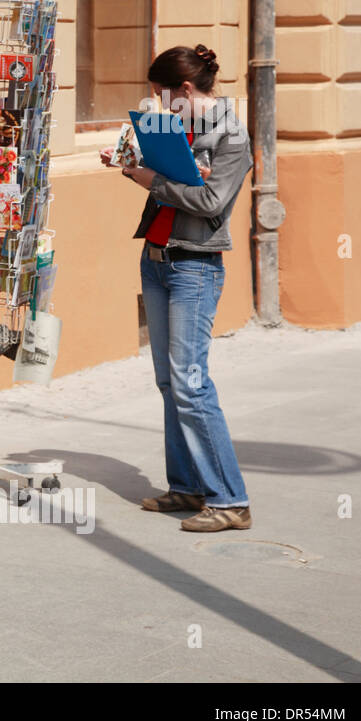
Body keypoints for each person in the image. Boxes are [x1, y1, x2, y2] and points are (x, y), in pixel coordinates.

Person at [100, 44, 253, 532]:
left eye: (165, 97)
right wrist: (127, 161)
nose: (162, 107)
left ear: (186, 90)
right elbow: (167, 180)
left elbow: (210, 201)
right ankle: (188, 487)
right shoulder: (174, 127)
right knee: (170, 383)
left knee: (190, 382)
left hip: (195, 266)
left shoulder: (231, 136)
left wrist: (148, 178)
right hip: (158, 260)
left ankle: (230, 500)